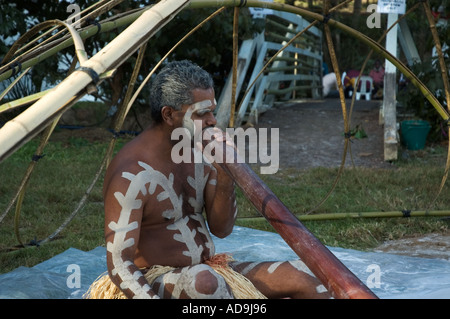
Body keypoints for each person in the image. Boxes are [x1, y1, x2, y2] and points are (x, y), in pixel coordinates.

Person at [86, 60, 330, 299]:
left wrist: (226, 173)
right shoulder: (131, 172)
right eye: (202, 113)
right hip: (153, 281)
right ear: (169, 115)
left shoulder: (199, 152)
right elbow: (119, 262)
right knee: (204, 283)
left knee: (310, 275)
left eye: (212, 111)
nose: (213, 121)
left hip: (211, 270)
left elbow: (222, 229)